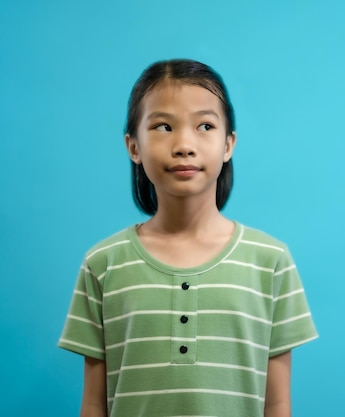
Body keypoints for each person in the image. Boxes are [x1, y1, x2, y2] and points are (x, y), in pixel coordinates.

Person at [58, 58, 318, 417]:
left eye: (205, 126)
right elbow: (93, 404)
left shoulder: (270, 261)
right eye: (163, 126)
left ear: (229, 144)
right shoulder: (103, 264)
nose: (184, 144)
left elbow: (277, 404)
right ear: (133, 146)